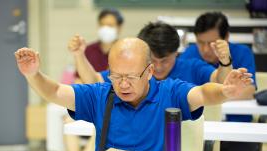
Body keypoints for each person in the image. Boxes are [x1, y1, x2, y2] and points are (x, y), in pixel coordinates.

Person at [15, 38, 252, 151]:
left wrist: (225, 92)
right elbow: (56, 92)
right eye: (116, 76)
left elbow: (201, 93)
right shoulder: (100, 95)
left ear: (149, 71)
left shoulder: (170, 92)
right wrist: (33, 75)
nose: (123, 84)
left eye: (130, 77)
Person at [179, 12, 258, 151]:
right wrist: (224, 93)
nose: (205, 49)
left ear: (226, 38)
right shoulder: (190, 55)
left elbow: (249, 91)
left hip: (236, 131)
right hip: (197, 131)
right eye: (200, 42)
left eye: (212, 43)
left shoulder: (242, 53)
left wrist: (212, 95)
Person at [68, 22, 233, 86]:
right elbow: (92, 80)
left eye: (165, 60)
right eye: (153, 61)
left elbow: (222, 82)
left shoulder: (192, 67)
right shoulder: (132, 71)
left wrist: (225, 61)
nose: (159, 67)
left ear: (176, 53)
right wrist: (79, 55)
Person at [83, 8, 124, 72]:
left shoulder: (124, 50)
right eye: (102, 25)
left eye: (110, 25)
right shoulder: (88, 50)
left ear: (119, 27)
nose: (105, 28)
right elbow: (79, 77)